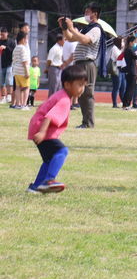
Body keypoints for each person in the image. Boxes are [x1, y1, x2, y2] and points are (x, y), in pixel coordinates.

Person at [26, 65, 87, 194]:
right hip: (41, 129)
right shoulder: (64, 99)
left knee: (49, 159)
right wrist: (42, 132)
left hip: (37, 127)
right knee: (62, 151)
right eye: (80, 84)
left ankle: (35, 187)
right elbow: (49, 116)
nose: (82, 88)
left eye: (84, 85)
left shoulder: (62, 95)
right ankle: (49, 180)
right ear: (67, 84)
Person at [59, 2, 107, 128]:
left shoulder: (96, 29)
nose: (85, 14)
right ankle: (85, 122)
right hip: (80, 63)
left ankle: (89, 123)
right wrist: (64, 28)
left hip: (87, 63)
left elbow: (85, 40)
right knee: (80, 94)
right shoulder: (87, 28)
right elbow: (70, 38)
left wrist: (71, 27)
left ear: (94, 14)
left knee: (87, 93)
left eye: (87, 12)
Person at [12, 31, 30, 110]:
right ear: (23, 39)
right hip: (22, 71)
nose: (27, 40)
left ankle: (18, 105)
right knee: (26, 87)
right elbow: (24, 61)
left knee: (18, 88)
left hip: (16, 71)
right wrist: (27, 71)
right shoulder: (23, 48)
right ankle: (24, 105)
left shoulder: (16, 48)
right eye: (26, 39)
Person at [121, 36, 137, 111]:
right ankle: (127, 105)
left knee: (128, 89)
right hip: (132, 72)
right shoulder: (129, 50)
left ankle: (125, 105)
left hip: (129, 72)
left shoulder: (127, 50)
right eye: (134, 42)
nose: (135, 44)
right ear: (130, 42)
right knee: (130, 89)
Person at [0, 27, 16, 104]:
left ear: (7, 33)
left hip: (10, 64)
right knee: (1, 82)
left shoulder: (12, 42)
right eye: (0, 34)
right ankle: (3, 97)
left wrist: (6, 48)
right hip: (1, 64)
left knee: (9, 81)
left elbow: (14, 52)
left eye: (3, 34)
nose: (2, 36)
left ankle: (9, 96)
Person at [109, 37, 125, 108]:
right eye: (122, 42)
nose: (123, 43)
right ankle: (114, 104)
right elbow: (119, 57)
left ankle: (124, 103)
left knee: (123, 87)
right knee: (116, 87)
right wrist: (124, 51)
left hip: (121, 69)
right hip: (116, 69)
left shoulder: (119, 49)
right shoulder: (114, 48)